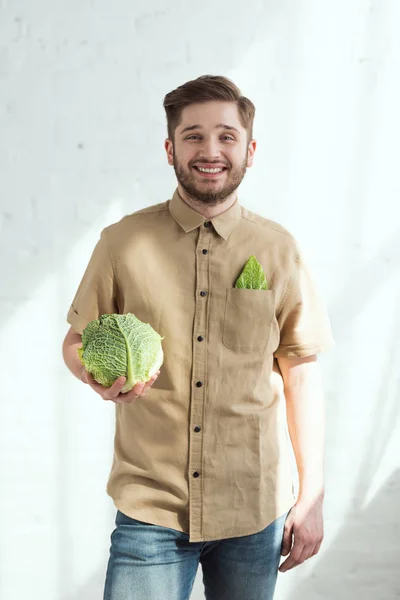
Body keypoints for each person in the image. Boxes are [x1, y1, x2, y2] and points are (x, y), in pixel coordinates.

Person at [62, 74, 334, 600]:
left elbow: (301, 374)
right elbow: (75, 340)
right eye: (193, 136)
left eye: (226, 136)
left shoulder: (279, 249)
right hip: (151, 509)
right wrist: (94, 377)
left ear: (250, 150)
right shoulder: (122, 243)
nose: (210, 150)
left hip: (254, 509)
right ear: (170, 148)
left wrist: (313, 493)